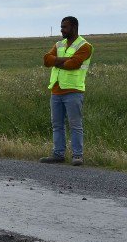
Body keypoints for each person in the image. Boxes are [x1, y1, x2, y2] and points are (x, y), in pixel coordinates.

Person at [40, 16, 93, 166]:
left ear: (74, 28)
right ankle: (58, 154)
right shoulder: (60, 44)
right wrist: (63, 60)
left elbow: (73, 64)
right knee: (57, 124)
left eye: (64, 27)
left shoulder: (84, 46)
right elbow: (46, 60)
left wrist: (56, 61)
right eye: (61, 27)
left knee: (75, 124)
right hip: (56, 91)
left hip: (73, 90)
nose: (61, 30)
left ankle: (77, 156)